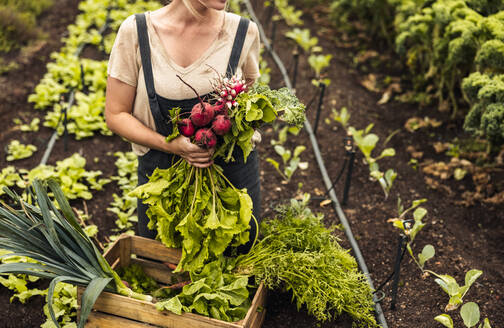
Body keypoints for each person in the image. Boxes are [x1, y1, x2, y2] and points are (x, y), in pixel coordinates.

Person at [105, 0, 261, 253]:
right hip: (162, 176)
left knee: (238, 262)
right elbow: (115, 113)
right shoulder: (137, 31)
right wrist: (172, 145)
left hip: (231, 175)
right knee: (161, 264)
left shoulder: (243, 32)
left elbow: (250, 104)